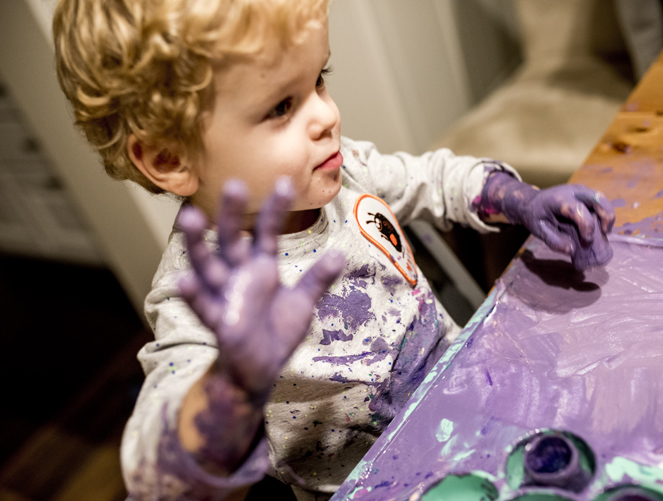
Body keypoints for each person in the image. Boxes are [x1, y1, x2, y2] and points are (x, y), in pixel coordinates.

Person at [53, 0, 615, 499]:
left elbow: (434, 179)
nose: (327, 115)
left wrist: (518, 200)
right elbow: (159, 476)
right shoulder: (197, 297)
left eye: (319, 80)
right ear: (171, 158)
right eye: (281, 107)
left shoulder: (344, 172)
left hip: (470, 396)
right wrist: (230, 386)